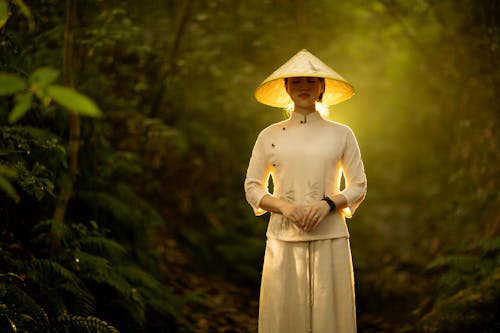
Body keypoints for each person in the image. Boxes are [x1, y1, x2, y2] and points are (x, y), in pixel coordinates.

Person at [244, 49, 367, 333]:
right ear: (286, 87)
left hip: (331, 236)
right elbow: (252, 186)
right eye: (296, 81)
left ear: (322, 87)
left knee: (331, 316)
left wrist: (327, 204)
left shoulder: (342, 133)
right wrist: (285, 207)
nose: (303, 87)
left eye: (311, 81)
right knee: (282, 317)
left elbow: (358, 185)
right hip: (283, 238)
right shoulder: (269, 135)